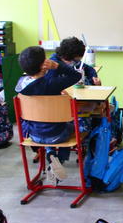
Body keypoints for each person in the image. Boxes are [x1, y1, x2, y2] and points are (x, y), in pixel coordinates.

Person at [15, 45, 81, 182]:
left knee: (47, 122)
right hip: (57, 135)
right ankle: (59, 159)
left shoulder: (21, 84)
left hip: (34, 136)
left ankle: (50, 153)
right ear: (44, 65)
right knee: (75, 126)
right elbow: (77, 75)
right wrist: (57, 66)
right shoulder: (52, 83)